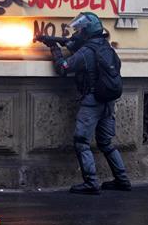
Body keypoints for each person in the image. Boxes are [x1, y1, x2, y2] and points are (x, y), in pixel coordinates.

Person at [47, 12, 131, 195]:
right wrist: (65, 43)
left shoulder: (86, 52)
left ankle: (91, 183)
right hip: (108, 101)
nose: (76, 33)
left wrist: (54, 49)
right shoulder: (107, 48)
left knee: (81, 141)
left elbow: (63, 68)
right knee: (106, 142)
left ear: (86, 32)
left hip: (92, 101)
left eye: (79, 30)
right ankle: (122, 180)